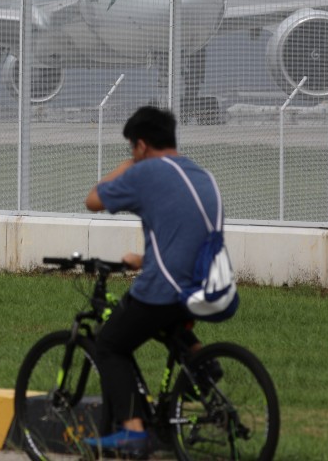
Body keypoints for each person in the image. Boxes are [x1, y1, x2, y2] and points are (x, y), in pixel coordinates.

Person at [82, 106, 222, 459]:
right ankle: (203, 364)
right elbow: (186, 234)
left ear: (141, 145)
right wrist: (143, 259)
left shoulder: (147, 173)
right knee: (165, 325)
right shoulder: (200, 173)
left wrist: (131, 165)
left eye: (132, 148)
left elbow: (93, 200)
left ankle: (132, 431)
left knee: (109, 345)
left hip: (167, 286)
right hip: (204, 282)